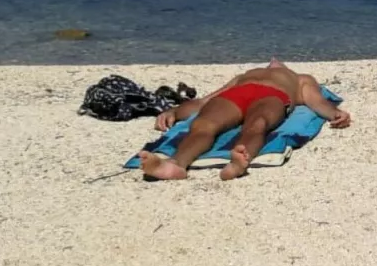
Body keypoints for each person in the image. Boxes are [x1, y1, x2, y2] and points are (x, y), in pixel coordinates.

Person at [139, 59, 350, 182]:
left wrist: (334, 113)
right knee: (202, 125)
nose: (273, 59)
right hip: (236, 94)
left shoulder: (300, 77)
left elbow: (316, 101)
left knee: (257, 125)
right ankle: (176, 164)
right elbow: (206, 100)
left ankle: (238, 163)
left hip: (272, 95)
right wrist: (175, 112)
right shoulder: (244, 75)